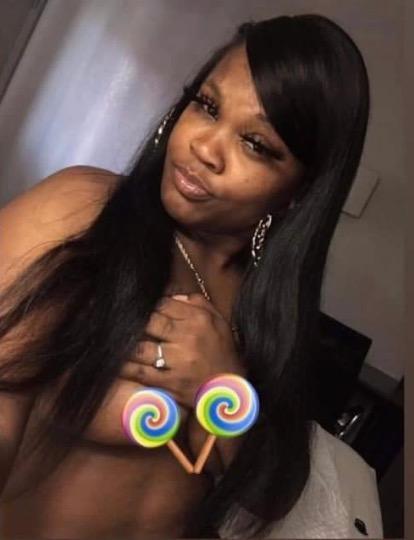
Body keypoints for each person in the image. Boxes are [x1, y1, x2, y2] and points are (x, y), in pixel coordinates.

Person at [0, 13, 383, 539]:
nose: (205, 147)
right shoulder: (83, 212)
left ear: (300, 192)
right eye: (207, 105)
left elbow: (270, 493)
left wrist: (221, 383)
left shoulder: (268, 313)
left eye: (256, 144)